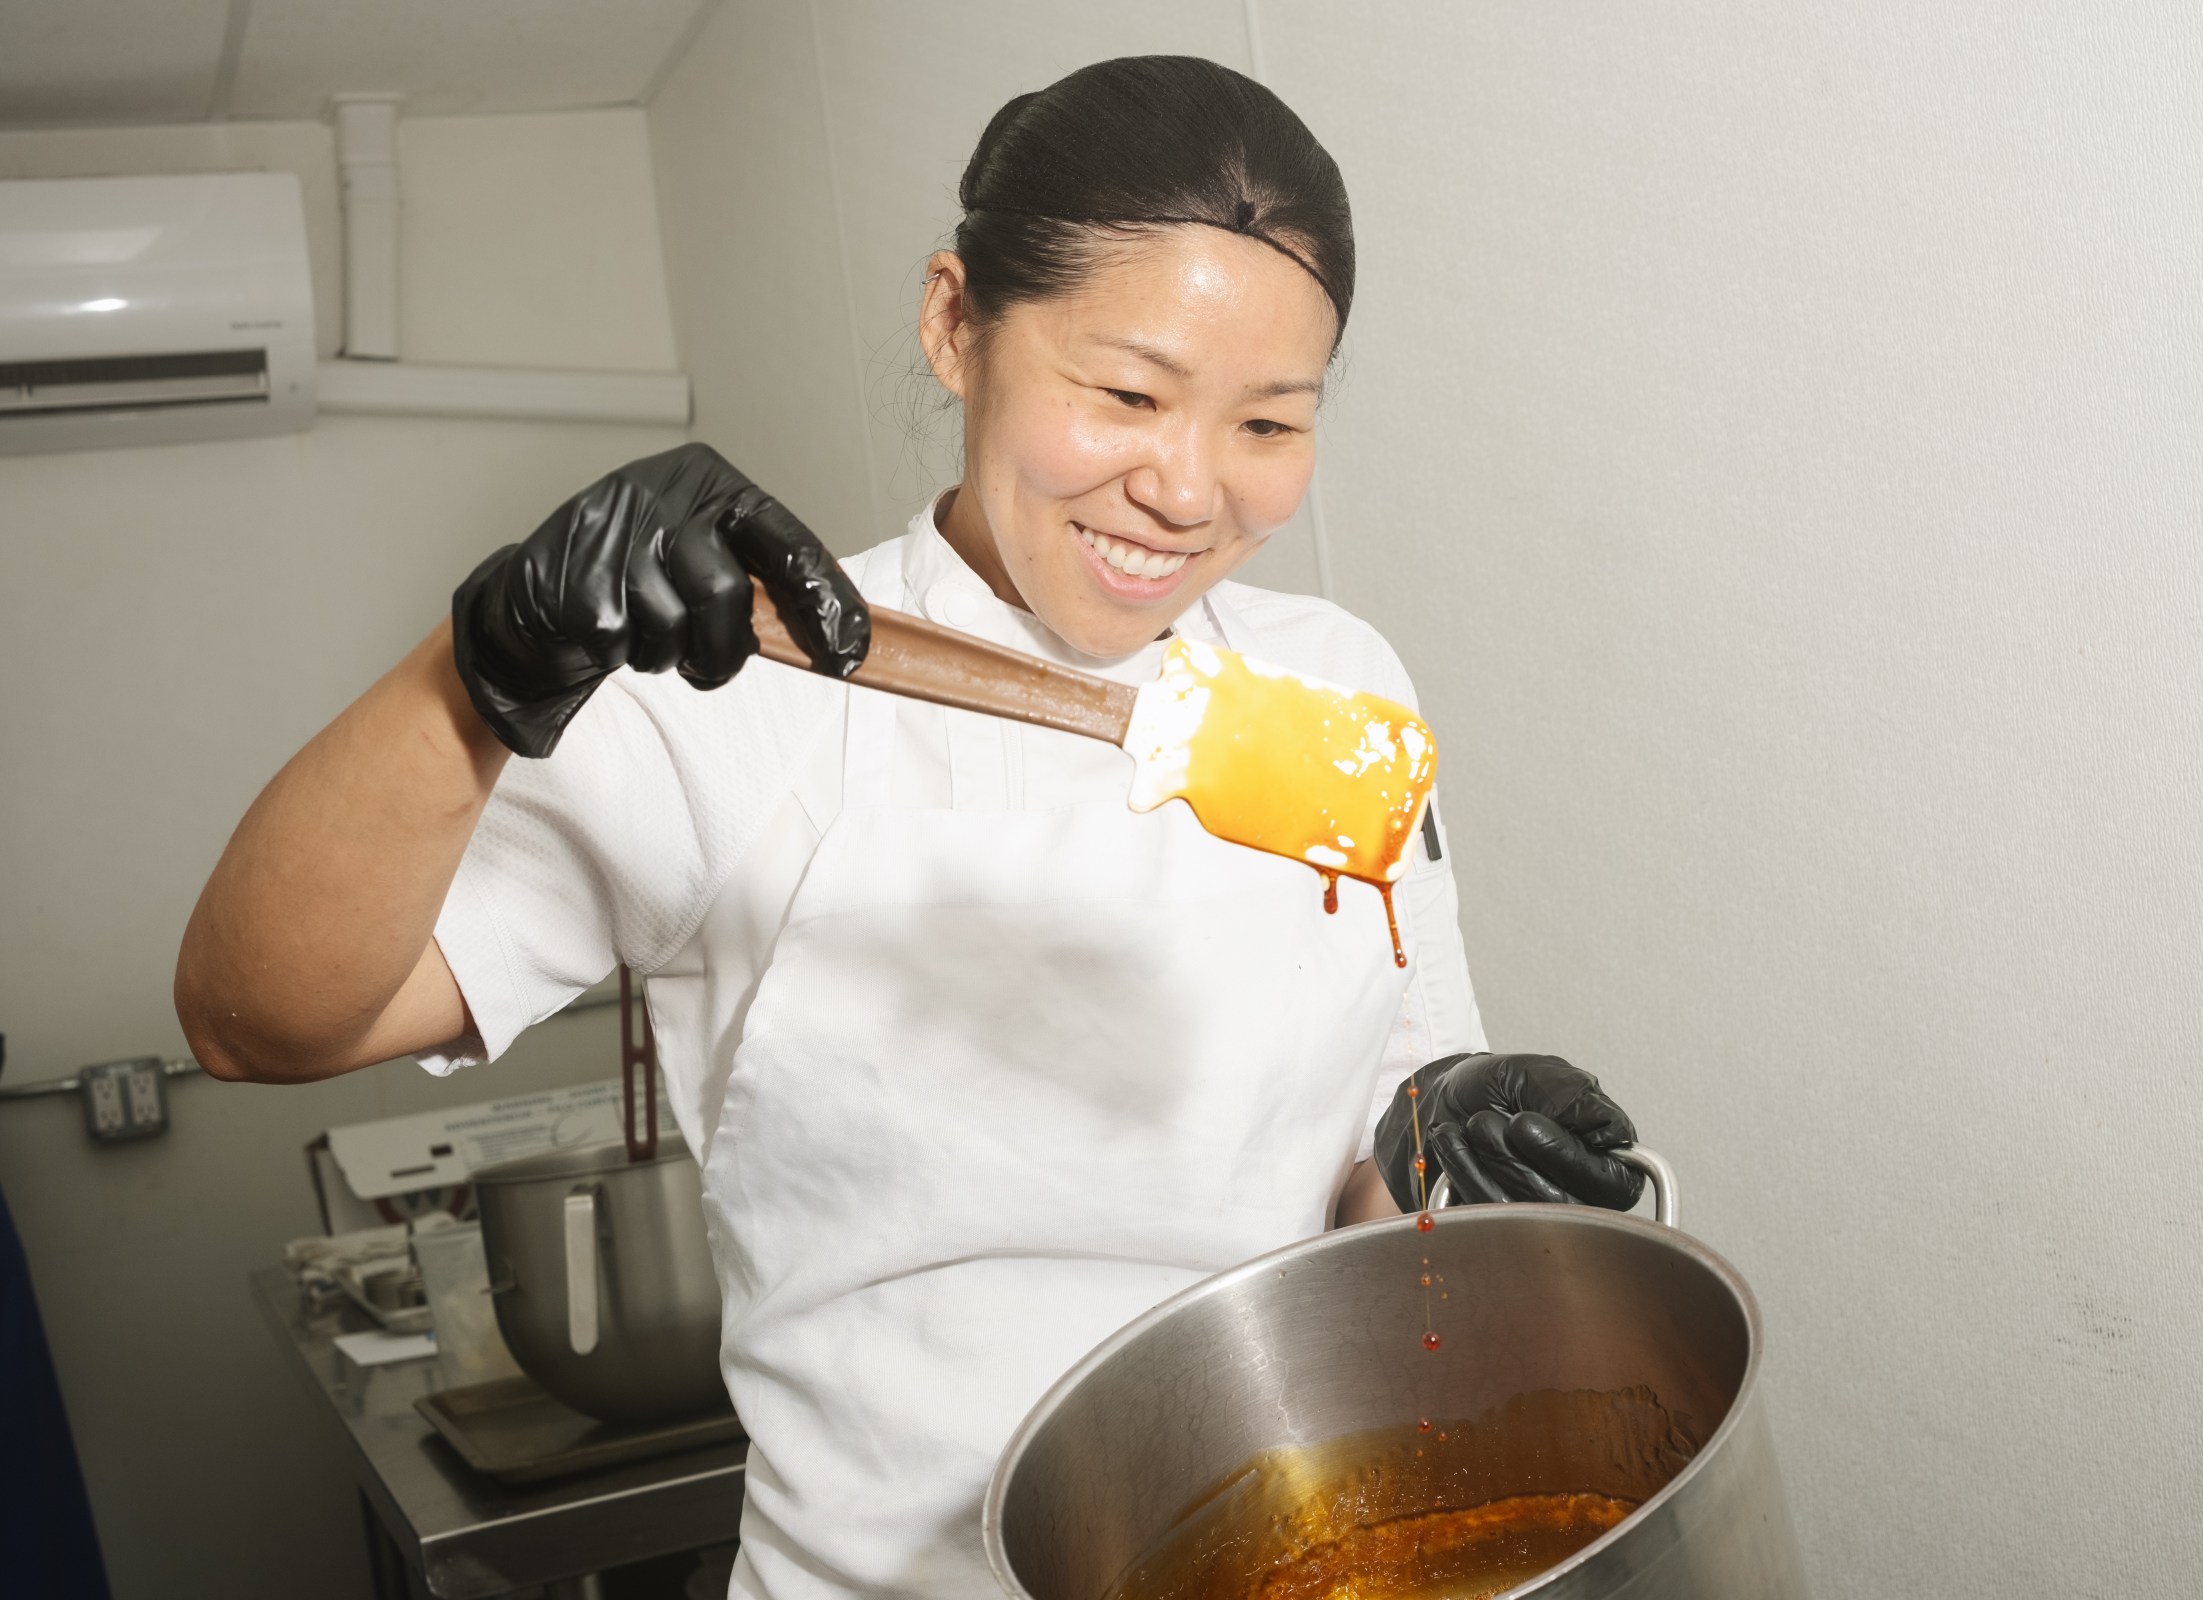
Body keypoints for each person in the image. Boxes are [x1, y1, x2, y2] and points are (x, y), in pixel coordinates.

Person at [176, 55, 1645, 1600]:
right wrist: (471, 672)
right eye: (1128, 395)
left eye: (1270, 423)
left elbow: (1369, 1191)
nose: (1188, 489)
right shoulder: (730, 702)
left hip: (1304, 1551)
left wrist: (1452, 1154)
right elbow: (251, 1016)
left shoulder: (1338, 686)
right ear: (956, 323)